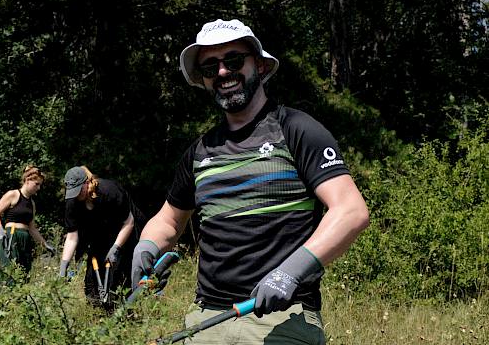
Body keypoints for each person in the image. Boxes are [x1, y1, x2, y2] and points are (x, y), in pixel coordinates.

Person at [130, 19, 370, 344]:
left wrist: (290, 273)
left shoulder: (296, 129)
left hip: (283, 317)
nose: (223, 73)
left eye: (232, 60)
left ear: (257, 63)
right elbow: (170, 221)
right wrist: (146, 247)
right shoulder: (200, 151)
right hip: (206, 320)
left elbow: (351, 211)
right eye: (210, 66)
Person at [60, 166, 142, 308]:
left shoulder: (109, 191)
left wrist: (116, 247)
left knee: (117, 280)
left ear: (87, 183)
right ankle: (97, 316)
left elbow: (129, 222)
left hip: (123, 234)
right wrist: (63, 266)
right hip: (97, 237)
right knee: (92, 287)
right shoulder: (72, 202)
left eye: (78, 190)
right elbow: (73, 236)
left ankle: (124, 316)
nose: (76, 195)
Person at [0, 165, 55, 283]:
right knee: (8, 272)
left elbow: (32, 227)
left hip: (25, 239)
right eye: (36, 184)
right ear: (27, 180)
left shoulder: (32, 203)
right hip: (11, 236)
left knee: (23, 274)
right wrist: (1, 230)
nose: (39, 188)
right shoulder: (13, 194)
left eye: (40, 185)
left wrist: (44, 244)